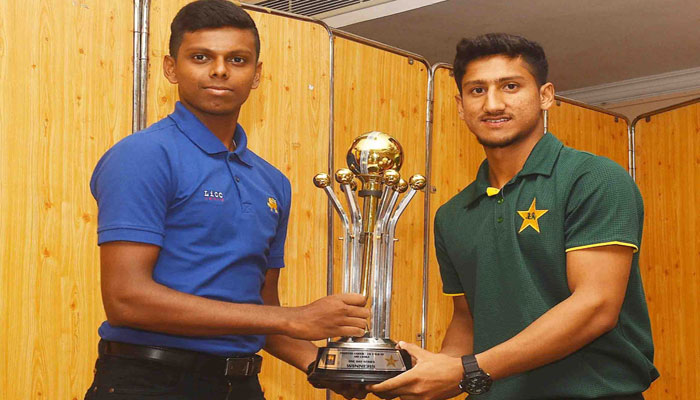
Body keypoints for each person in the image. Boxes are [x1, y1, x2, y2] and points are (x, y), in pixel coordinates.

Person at [83, 1, 369, 399]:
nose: (220, 70)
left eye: (237, 59)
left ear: (256, 74)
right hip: (149, 382)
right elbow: (126, 300)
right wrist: (293, 318)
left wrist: (327, 368)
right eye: (201, 57)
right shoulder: (143, 156)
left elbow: (261, 310)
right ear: (171, 68)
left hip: (241, 384)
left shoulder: (272, 182)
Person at [368, 33, 658, 400]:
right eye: (477, 90)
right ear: (460, 106)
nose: (493, 104)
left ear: (545, 95)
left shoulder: (593, 178)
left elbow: (595, 307)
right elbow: (467, 321)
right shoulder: (452, 215)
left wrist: (466, 371)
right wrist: (429, 373)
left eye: (510, 86)